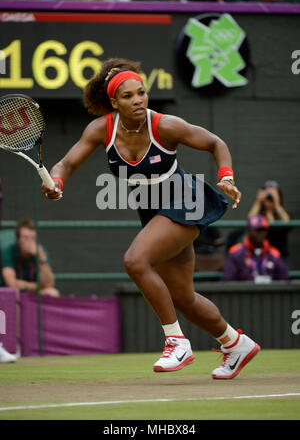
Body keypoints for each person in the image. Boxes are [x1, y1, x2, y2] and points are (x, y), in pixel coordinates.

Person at [42, 57, 260, 380]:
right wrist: (56, 182)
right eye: (128, 96)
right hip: (154, 211)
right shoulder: (101, 129)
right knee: (182, 297)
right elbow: (66, 164)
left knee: (134, 260)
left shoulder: (165, 124)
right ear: (113, 102)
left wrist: (226, 176)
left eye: (141, 93)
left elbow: (215, 143)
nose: (138, 100)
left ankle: (176, 341)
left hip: (186, 200)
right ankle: (235, 342)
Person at [1, 218, 60, 297]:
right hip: (11, 295)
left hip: (32, 294)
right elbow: (12, 284)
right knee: (15, 293)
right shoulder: (7, 251)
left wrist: (42, 259)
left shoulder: (40, 252)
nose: (29, 242)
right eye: (25, 238)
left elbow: (49, 284)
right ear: (17, 239)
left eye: (32, 238)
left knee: (53, 293)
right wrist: (38, 286)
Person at [222, 214, 289, 282]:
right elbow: (227, 281)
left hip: (269, 291)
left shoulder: (274, 253)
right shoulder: (235, 253)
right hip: (244, 291)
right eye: (257, 230)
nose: (261, 233)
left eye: (263, 230)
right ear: (248, 231)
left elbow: (284, 280)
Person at [248, 180, 291, 262]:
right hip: (260, 255)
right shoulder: (259, 214)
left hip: (281, 255)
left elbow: (287, 222)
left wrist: (277, 203)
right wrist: (258, 201)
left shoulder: (282, 213)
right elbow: (250, 221)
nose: (269, 197)